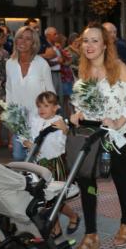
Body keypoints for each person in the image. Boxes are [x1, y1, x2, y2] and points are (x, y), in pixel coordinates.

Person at [70, 23, 126, 249]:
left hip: (119, 136)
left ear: (104, 45)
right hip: (91, 135)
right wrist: (77, 113)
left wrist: (118, 120)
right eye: (85, 40)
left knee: (120, 178)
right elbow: (81, 102)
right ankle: (91, 233)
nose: (89, 45)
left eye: (94, 40)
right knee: (87, 181)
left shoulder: (118, 68)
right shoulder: (82, 72)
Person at [25, 91, 79, 238]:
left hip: (54, 163)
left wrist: (65, 130)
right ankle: (57, 227)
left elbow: (65, 141)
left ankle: (68, 220)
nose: (42, 109)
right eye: (39, 106)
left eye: (46, 106)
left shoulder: (59, 121)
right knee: (46, 198)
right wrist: (27, 142)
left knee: (54, 198)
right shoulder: (35, 119)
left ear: (55, 107)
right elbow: (29, 136)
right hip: (39, 164)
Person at [5, 26, 55, 161]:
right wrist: (10, 118)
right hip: (19, 122)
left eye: (28, 39)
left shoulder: (41, 64)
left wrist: (48, 121)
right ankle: (24, 182)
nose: (23, 41)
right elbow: (9, 91)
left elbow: (50, 93)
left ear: (34, 43)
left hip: (39, 121)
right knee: (18, 156)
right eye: (20, 37)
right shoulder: (10, 63)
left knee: (37, 159)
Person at [56, 34, 75, 118]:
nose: (64, 43)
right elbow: (68, 60)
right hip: (65, 77)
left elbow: (68, 60)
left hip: (66, 77)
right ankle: (66, 117)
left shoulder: (62, 50)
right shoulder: (60, 49)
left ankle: (67, 117)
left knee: (65, 100)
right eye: (63, 41)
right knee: (65, 100)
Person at [43, 27, 63, 99]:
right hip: (51, 74)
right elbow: (45, 62)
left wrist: (60, 50)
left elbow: (62, 60)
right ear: (48, 35)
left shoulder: (56, 46)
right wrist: (57, 62)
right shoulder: (45, 46)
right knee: (52, 96)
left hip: (58, 73)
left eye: (57, 34)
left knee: (60, 97)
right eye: (55, 34)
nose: (57, 36)